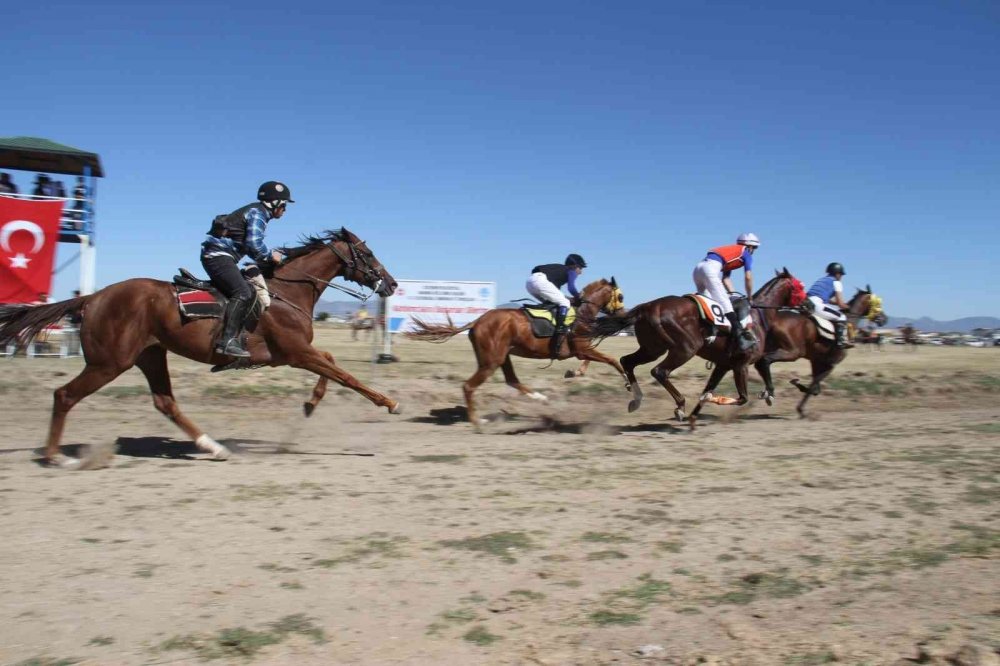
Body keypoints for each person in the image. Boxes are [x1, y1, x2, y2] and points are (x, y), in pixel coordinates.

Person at [201, 181, 293, 357]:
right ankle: (227, 341)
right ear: (273, 203)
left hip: (221, 256)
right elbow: (254, 245)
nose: (284, 210)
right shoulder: (258, 213)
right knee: (243, 292)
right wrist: (271, 257)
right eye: (283, 205)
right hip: (218, 256)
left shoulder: (258, 212)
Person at [693, 233, 759, 352]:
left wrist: (733, 293)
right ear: (749, 246)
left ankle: (709, 330)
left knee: (709, 304)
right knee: (725, 304)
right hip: (711, 270)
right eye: (754, 247)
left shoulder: (731, 251)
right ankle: (741, 339)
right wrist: (749, 297)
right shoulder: (746, 253)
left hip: (698, 269)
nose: (754, 250)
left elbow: (726, 279)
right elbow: (748, 277)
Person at [526, 253, 586, 357]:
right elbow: (571, 288)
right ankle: (560, 329)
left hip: (530, 282)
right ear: (574, 265)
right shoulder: (570, 270)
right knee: (565, 303)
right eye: (580, 268)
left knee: (555, 302)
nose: (580, 272)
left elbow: (558, 294)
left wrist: (570, 298)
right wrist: (578, 296)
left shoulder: (558, 272)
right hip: (540, 281)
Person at [806, 262, 853, 349]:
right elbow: (841, 304)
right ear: (837, 274)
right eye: (841, 274)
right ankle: (842, 341)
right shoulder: (837, 282)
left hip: (807, 303)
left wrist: (835, 303)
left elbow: (826, 298)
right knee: (841, 316)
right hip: (817, 305)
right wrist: (849, 307)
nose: (841, 277)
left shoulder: (821, 280)